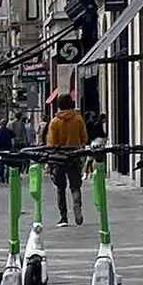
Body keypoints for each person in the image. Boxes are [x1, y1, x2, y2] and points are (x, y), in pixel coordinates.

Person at [45, 93, 89, 227]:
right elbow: (84, 138)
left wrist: (49, 162)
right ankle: (77, 204)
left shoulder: (54, 121)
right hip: (74, 156)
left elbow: (51, 143)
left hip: (58, 158)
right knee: (75, 187)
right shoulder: (78, 119)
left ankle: (63, 217)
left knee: (60, 189)